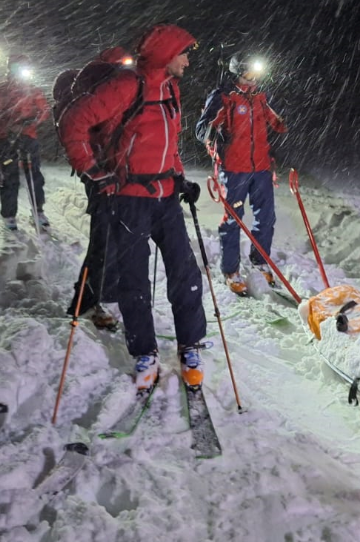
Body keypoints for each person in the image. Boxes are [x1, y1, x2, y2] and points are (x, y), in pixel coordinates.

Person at [59, 23, 207, 390]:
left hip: (167, 197)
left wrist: (179, 175)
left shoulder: (172, 88)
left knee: (185, 275)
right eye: (184, 53)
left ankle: (190, 344)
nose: (188, 61)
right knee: (134, 280)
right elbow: (73, 123)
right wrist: (94, 172)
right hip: (129, 200)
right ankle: (144, 351)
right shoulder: (126, 84)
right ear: (166, 54)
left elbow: (169, 142)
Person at [52, 46, 131, 331]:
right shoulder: (90, 83)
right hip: (102, 175)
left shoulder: (114, 84)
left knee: (114, 238)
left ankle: (96, 296)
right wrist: (95, 169)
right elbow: (75, 127)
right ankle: (96, 300)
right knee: (107, 239)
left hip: (116, 174)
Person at [195, 52, 287, 296]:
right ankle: (230, 270)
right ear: (239, 72)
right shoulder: (225, 96)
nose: (255, 78)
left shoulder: (260, 97)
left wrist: (286, 121)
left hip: (261, 169)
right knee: (233, 218)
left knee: (266, 218)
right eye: (250, 73)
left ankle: (259, 262)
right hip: (234, 169)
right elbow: (201, 129)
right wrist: (215, 133)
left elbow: (278, 122)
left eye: (258, 73)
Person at [0, 54, 52, 231]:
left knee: (34, 175)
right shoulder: (1, 89)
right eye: (16, 68)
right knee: (9, 175)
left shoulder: (33, 89)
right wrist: (9, 125)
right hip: (6, 139)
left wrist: (32, 122)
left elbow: (44, 109)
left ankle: (38, 210)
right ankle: (9, 215)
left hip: (28, 137)